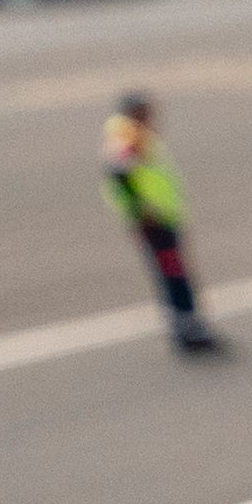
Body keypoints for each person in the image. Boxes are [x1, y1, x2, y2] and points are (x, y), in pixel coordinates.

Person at [98, 95, 223, 355]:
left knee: (173, 273)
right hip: (155, 222)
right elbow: (119, 172)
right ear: (137, 113)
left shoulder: (129, 133)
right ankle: (188, 329)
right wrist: (141, 209)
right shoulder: (130, 135)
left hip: (158, 218)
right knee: (174, 275)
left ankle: (187, 326)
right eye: (148, 112)